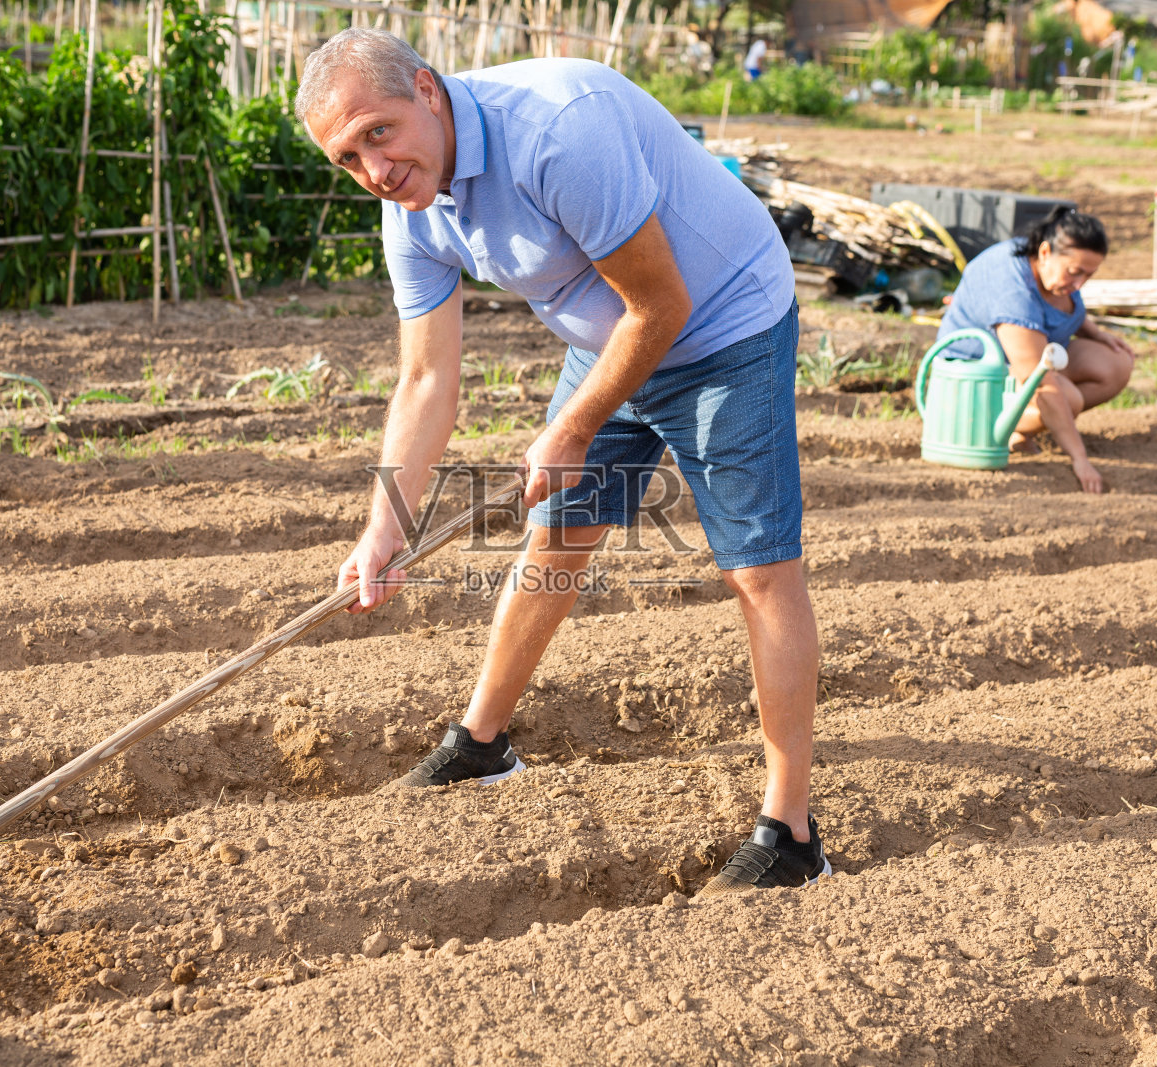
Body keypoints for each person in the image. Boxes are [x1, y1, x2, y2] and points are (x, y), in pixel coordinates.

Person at [295, 29, 830, 894]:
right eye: (347, 157)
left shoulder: (556, 132)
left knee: (758, 571)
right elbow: (427, 378)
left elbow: (664, 302)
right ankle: (482, 743)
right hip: (613, 331)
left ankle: (792, 833)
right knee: (558, 537)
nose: (373, 170)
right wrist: (384, 526)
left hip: (723, 319)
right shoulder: (410, 209)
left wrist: (573, 427)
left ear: (427, 92)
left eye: (379, 133)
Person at [935, 207, 1135, 494]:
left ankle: (1024, 427)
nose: (1079, 285)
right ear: (1044, 252)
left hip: (1019, 365)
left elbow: (1058, 310)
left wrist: (1097, 334)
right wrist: (1080, 459)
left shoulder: (1050, 266)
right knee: (1067, 398)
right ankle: (993, 431)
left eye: (1088, 276)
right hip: (972, 383)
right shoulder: (1011, 289)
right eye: (1075, 273)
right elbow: (1038, 379)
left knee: (1115, 364)